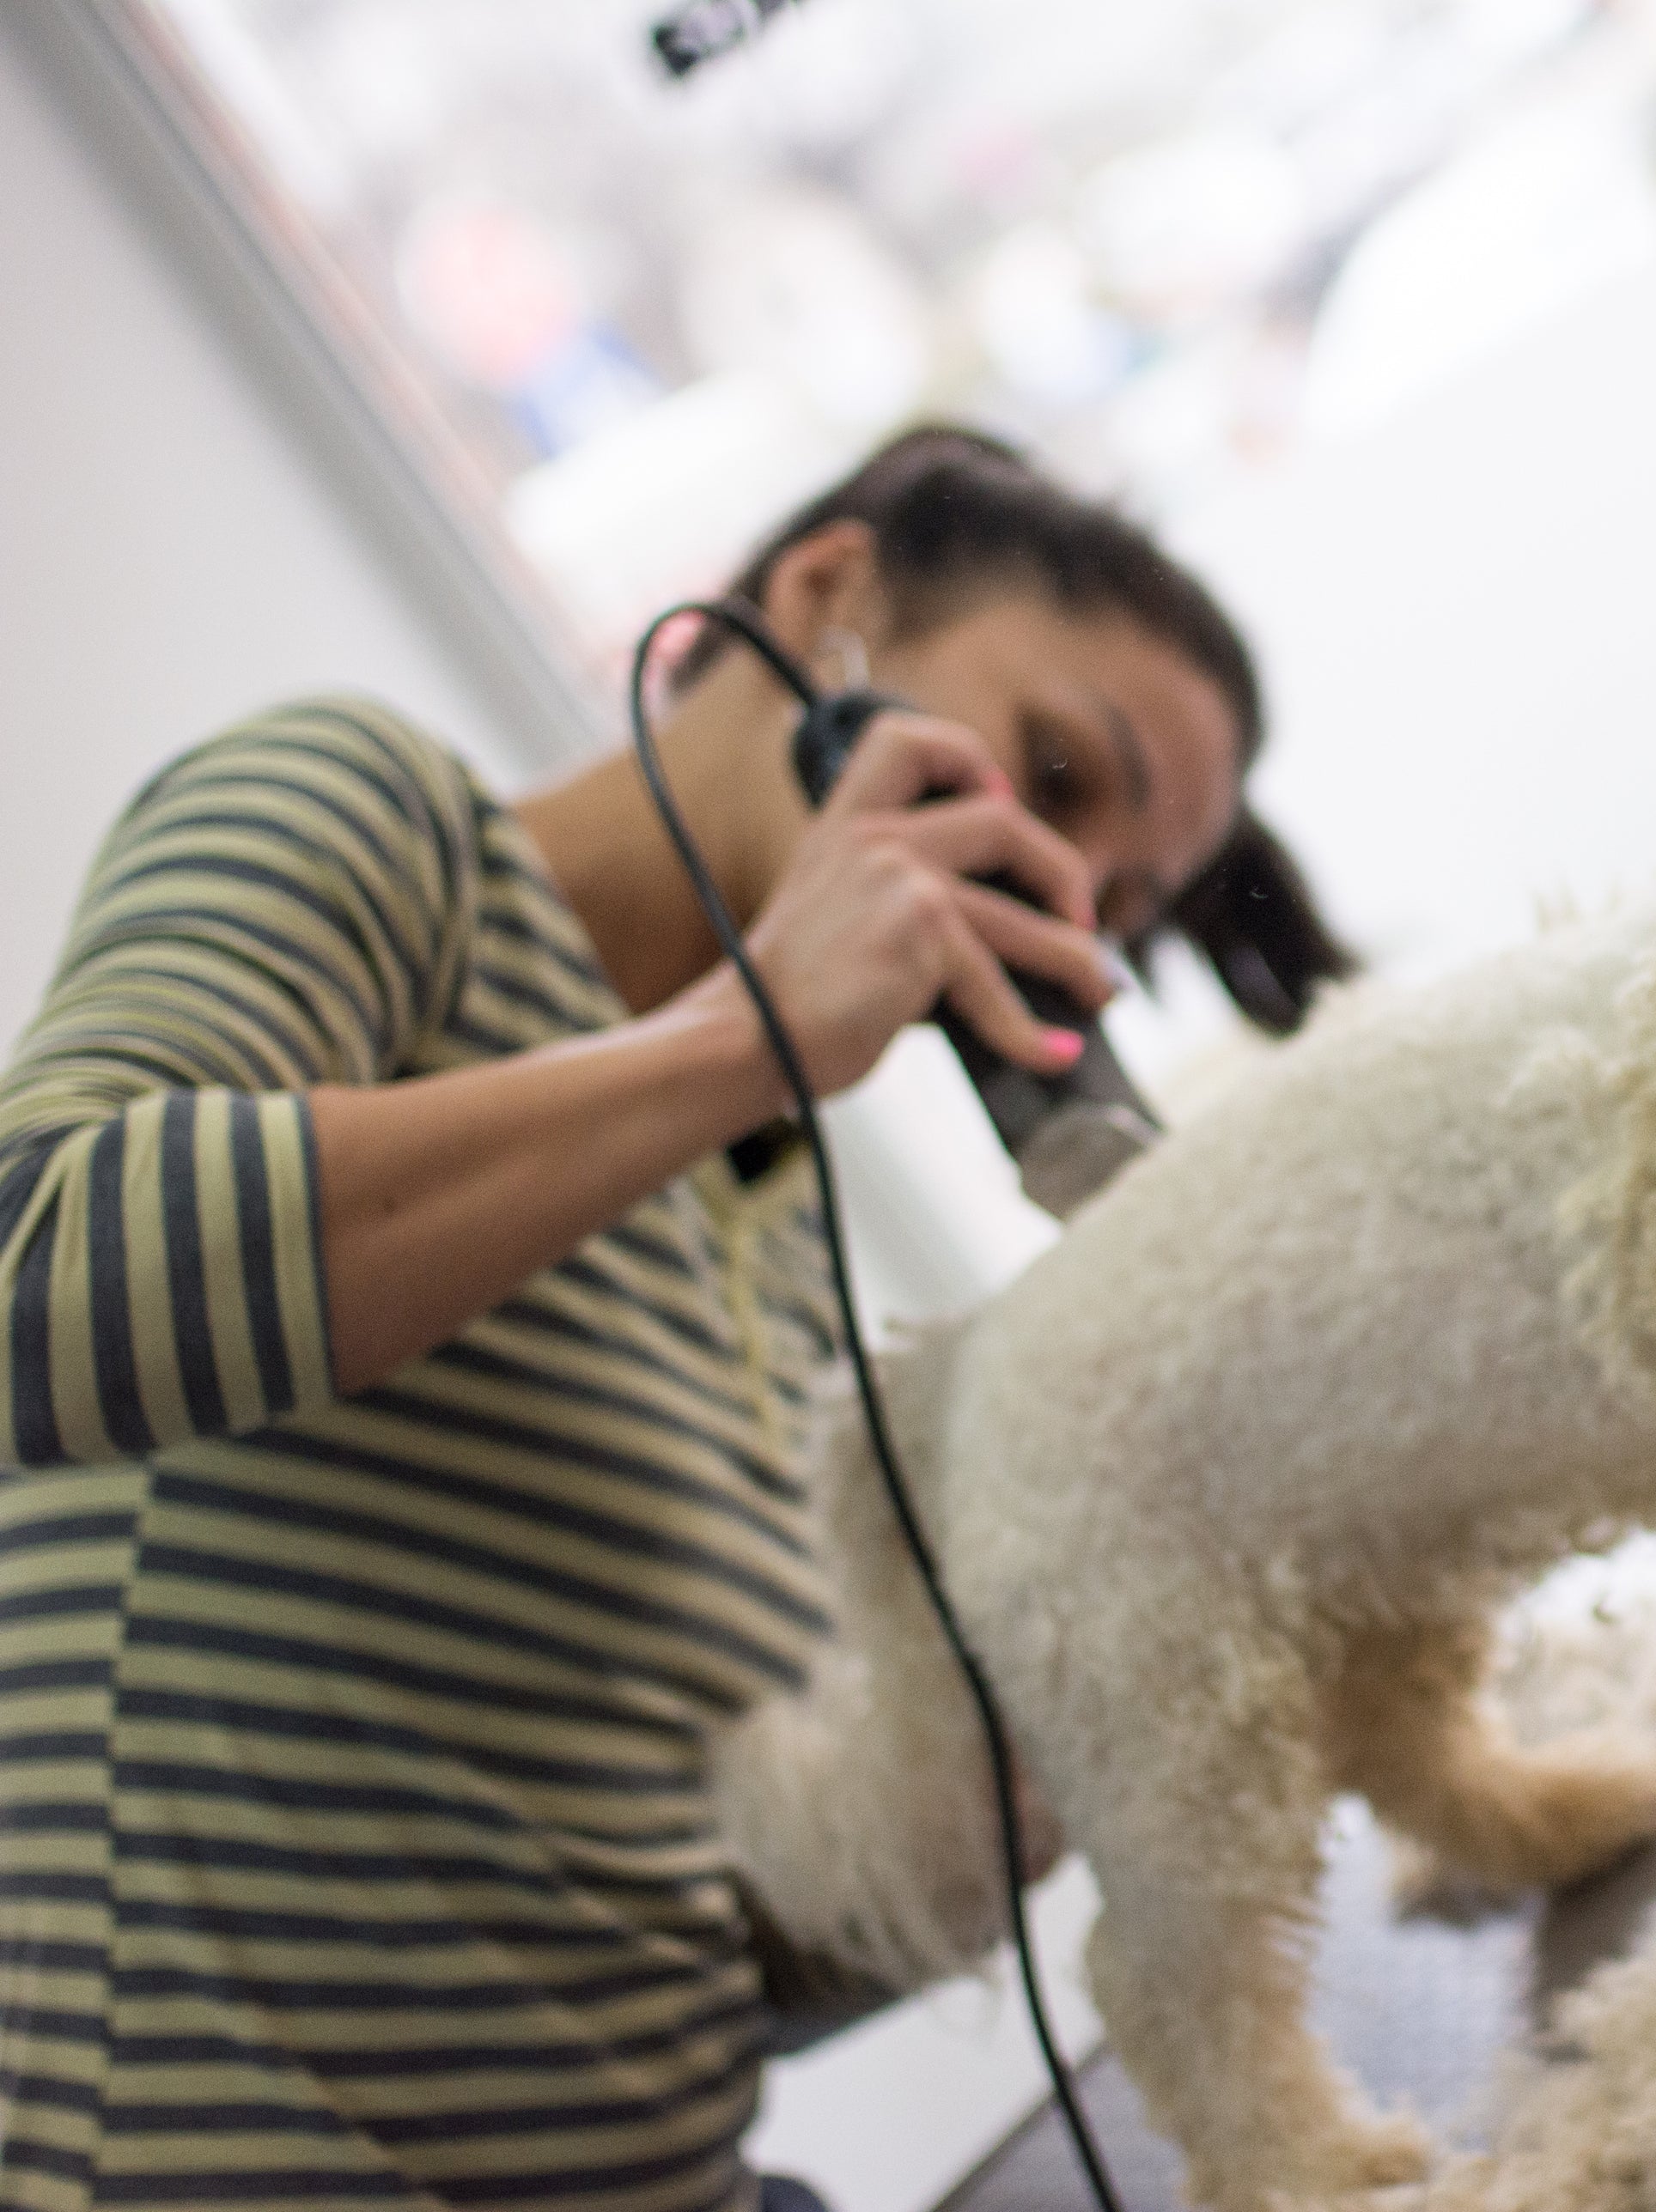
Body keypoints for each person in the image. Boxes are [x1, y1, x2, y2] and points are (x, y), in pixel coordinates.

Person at [0, 425, 1349, 2211]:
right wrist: (745, 1031)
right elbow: (32, 1276)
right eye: (1052, 772)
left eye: (1125, 899)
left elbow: (653, 1948)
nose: (1063, 896)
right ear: (827, 602)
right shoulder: (380, 820)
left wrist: (992, 1804)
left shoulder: (768, 1233)